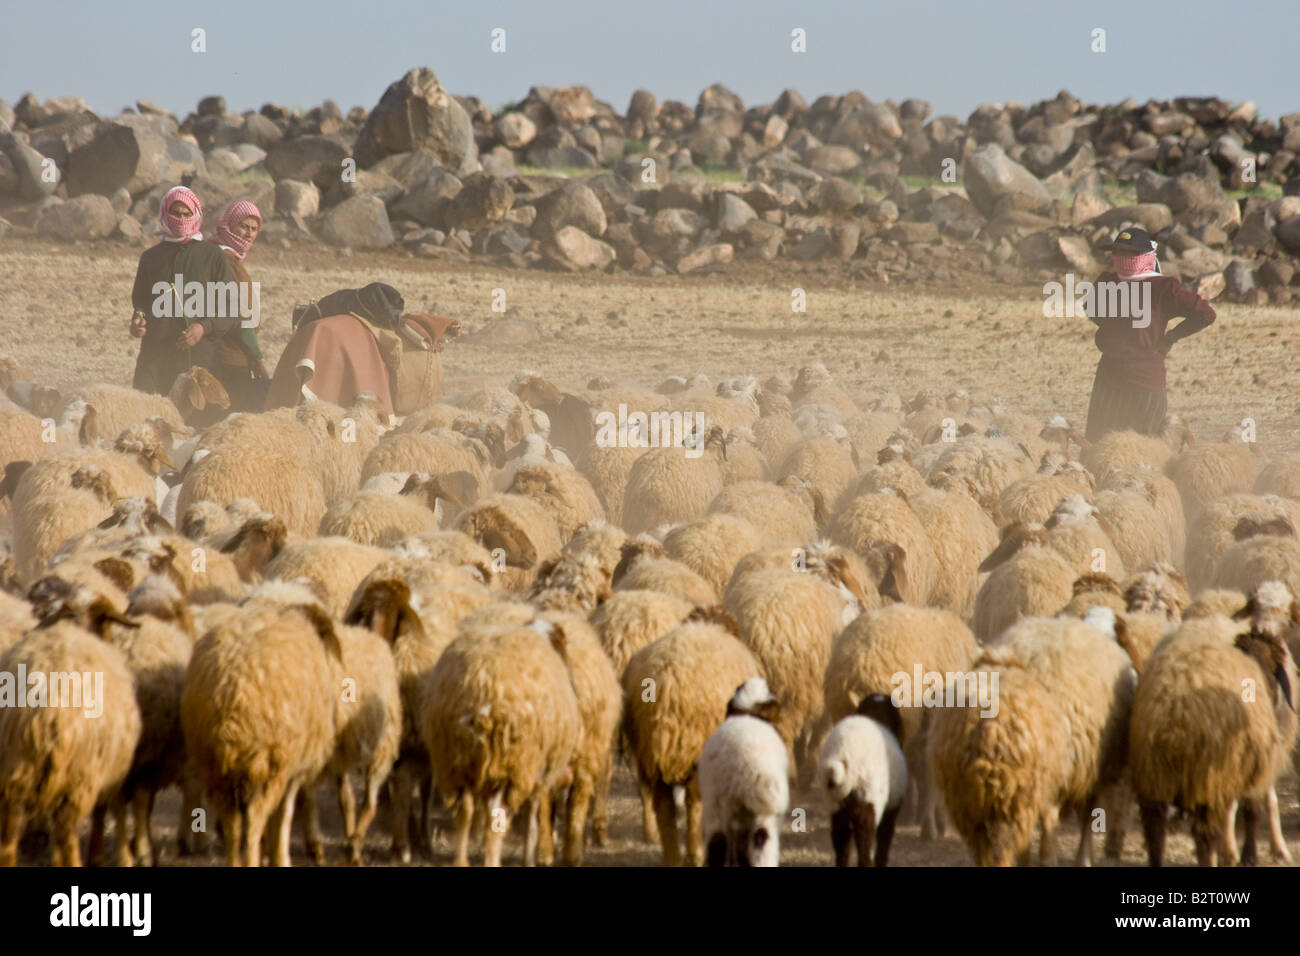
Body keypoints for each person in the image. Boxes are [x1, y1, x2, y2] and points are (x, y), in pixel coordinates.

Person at [1084, 227, 1216, 442]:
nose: (1121, 258)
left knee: (1144, 452)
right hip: (1109, 378)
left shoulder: (1164, 288)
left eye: (1129, 254)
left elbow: (1206, 314)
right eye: (1117, 253)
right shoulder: (1107, 281)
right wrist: (1115, 327)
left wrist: (1170, 337)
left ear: (1145, 257)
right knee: (1097, 447)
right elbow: (1090, 308)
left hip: (1143, 382)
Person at [129, 186, 238, 395]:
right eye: (175, 213)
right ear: (164, 214)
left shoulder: (212, 256)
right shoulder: (151, 258)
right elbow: (141, 301)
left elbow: (228, 307)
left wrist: (202, 327)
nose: (181, 219)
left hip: (199, 361)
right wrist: (138, 320)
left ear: (196, 215)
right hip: (155, 359)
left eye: (187, 214)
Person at [208, 199, 271, 410]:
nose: (249, 234)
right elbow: (243, 321)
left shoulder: (216, 255)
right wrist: (258, 360)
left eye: (254, 229)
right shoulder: (224, 261)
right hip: (230, 358)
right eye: (243, 226)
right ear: (229, 224)